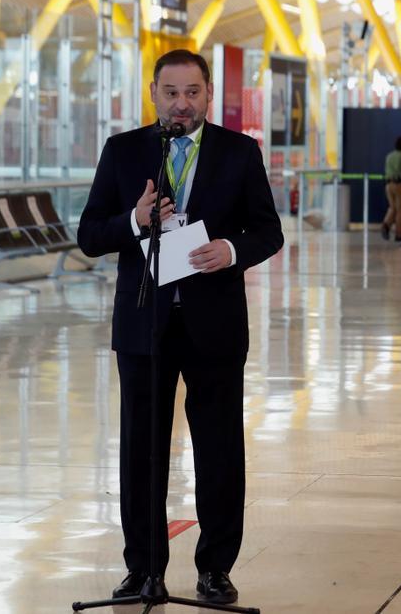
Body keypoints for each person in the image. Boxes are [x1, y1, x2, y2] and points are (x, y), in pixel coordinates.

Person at [77, 49, 284, 606]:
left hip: (214, 325)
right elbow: (90, 234)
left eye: (192, 92)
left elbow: (269, 231)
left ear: (208, 95)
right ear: (153, 94)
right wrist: (134, 221)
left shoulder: (241, 153)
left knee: (219, 448)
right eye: (171, 93)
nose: (182, 104)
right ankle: (143, 570)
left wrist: (232, 249)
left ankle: (216, 568)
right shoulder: (123, 152)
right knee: (141, 449)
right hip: (143, 323)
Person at [382, 136, 401, 244]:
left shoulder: (389, 156)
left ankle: (385, 225)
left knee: (392, 207)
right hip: (400, 184)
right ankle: (399, 234)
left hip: (388, 184)